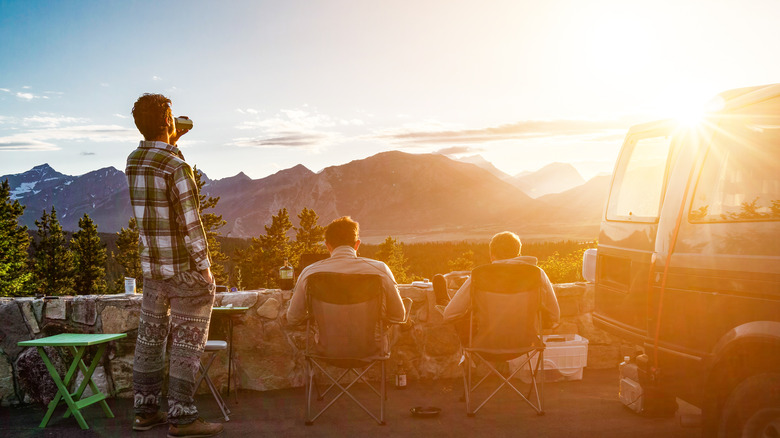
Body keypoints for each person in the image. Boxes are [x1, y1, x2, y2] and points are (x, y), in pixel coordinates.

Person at [127, 93, 223, 437]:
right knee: (187, 341)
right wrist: (205, 267)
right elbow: (190, 221)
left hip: (152, 269)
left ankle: (145, 411)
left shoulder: (134, 160)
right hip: (184, 270)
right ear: (168, 122)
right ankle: (182, 417)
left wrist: (171, 142)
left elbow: (158, 172)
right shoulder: (177, 166)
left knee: (150, 340)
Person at [287, 216, 406, 327]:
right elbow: (399, 316)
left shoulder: (310, 272)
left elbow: (293, 318)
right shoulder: (380, 269)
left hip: (326, 348)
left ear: (328, 246)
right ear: (357, 244)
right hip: (371, 348)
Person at [443, 231, 560, 342]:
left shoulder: (479, 275)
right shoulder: (536, 273)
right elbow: (555, 316)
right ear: (519, 254)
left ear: (492, 256)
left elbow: (449, 314)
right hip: (525, 343)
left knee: (465, 317)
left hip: (485, 344)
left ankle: (442, 300)